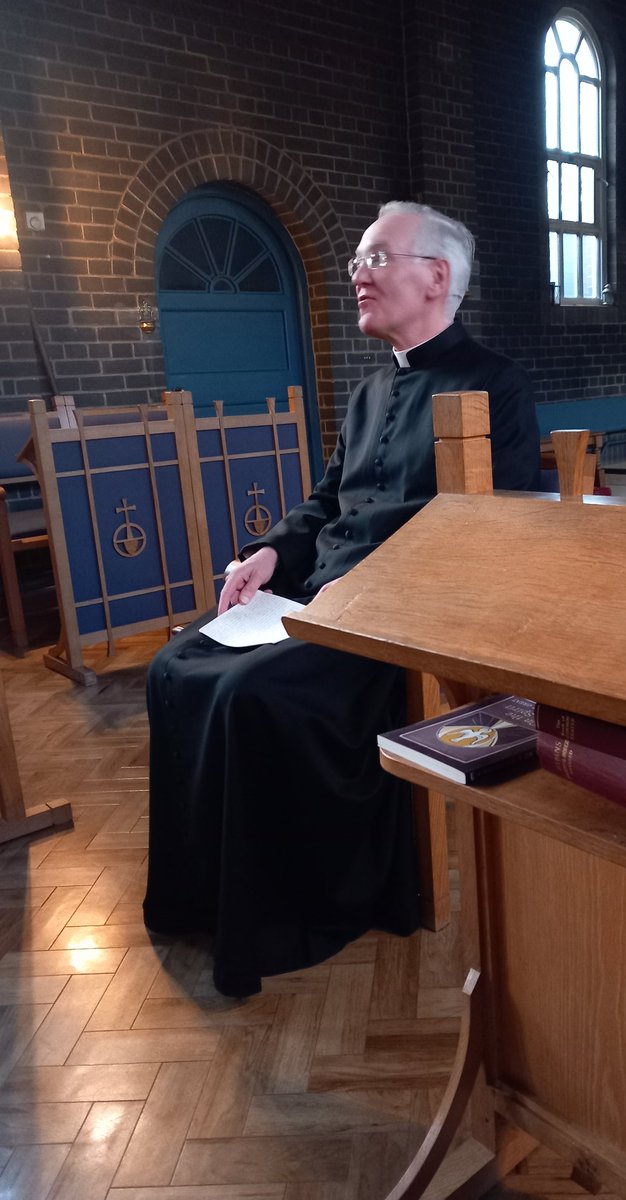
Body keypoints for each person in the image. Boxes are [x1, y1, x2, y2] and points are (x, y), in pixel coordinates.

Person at [143, 201, 541, 996]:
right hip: (316, 599)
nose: (358, 274)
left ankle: (286, 908)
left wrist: (353, 594)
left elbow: (496, 531)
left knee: (246, 698)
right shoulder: (366, 395)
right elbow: (326, 502)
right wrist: (267, 555)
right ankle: (203, 901)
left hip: (400, 616)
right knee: (175, 665)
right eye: (358, 260)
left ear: (436, 278)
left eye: (376, 258)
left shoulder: (495, 386)